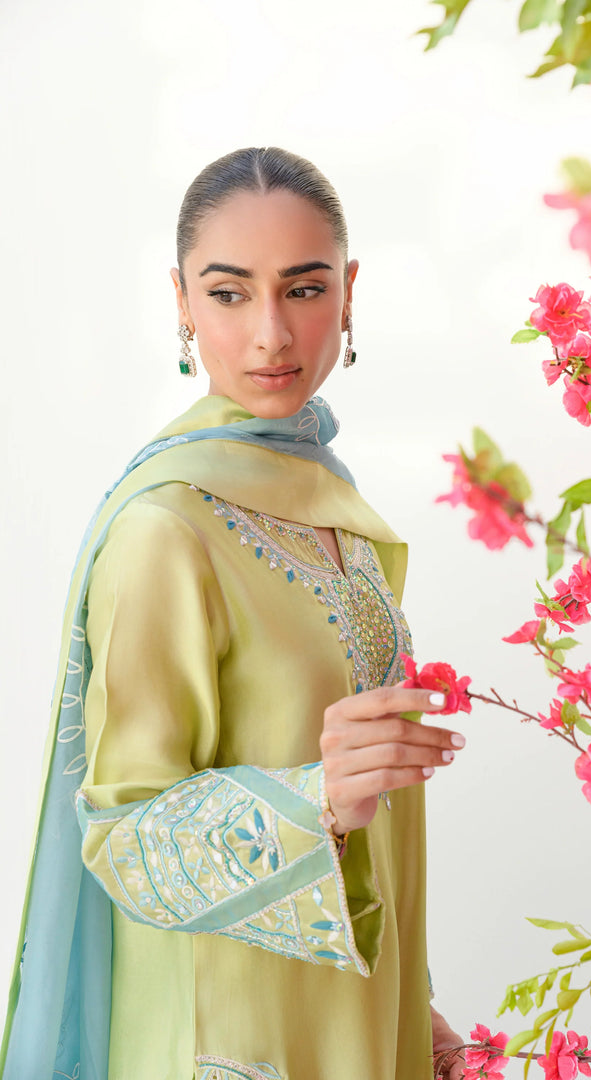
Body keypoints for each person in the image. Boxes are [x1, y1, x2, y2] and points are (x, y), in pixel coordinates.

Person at [1, 147, 467, 1080]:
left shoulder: (334, 511)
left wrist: (412, 1007)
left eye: (303, 289)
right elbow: (123, 837)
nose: (270, 335)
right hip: (226, 1040)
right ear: (180, 300)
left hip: (352, 1018)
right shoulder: (163, 526)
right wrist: (316, 801)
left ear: (349, 292)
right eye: (227, 293)